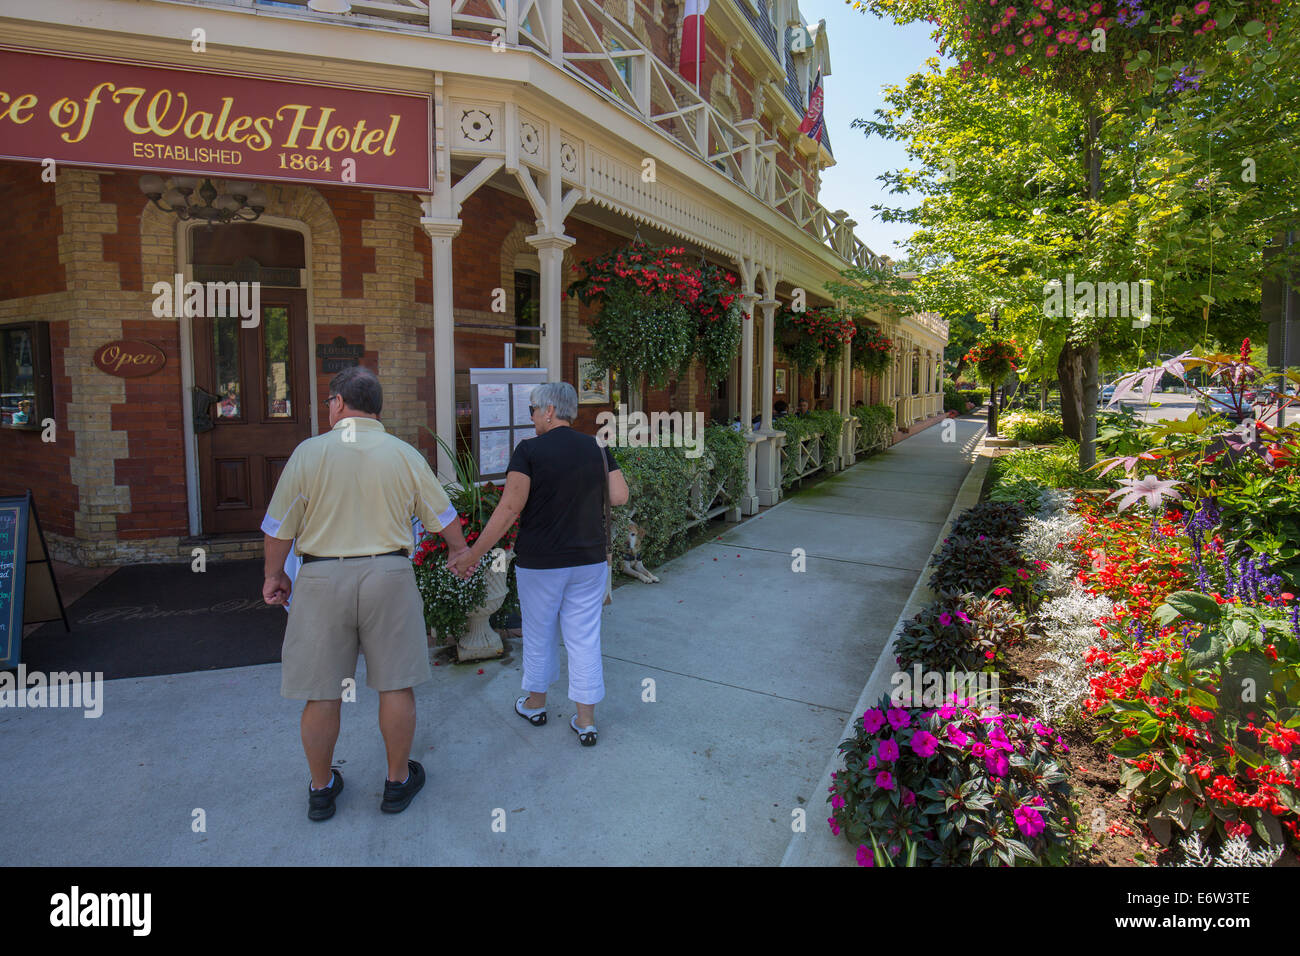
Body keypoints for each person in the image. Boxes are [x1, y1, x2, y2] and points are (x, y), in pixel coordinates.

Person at [261, 365, 469, 821]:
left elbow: (279, 527)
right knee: (395, 684)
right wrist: (459, 551)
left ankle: (321, 789)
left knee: (322, 692)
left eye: (328, 403)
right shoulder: (404, 454)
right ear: (376, 407)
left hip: (320, 580)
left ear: (337, 403)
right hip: (389, 575)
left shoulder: (308, 454)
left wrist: (274, 575)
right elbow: (443, 514)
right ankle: (396, 783)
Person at [449, 381, 629, 746]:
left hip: (541, 562)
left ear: (548, 411)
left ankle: (535, 704)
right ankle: (586, 720)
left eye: (532, 410)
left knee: (539, 632)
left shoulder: (529, 450)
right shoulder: (596, 447)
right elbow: (619, 496)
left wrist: (472, 554)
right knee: (584, 638)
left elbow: (509, 509)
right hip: (588, 561)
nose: (531, 418)